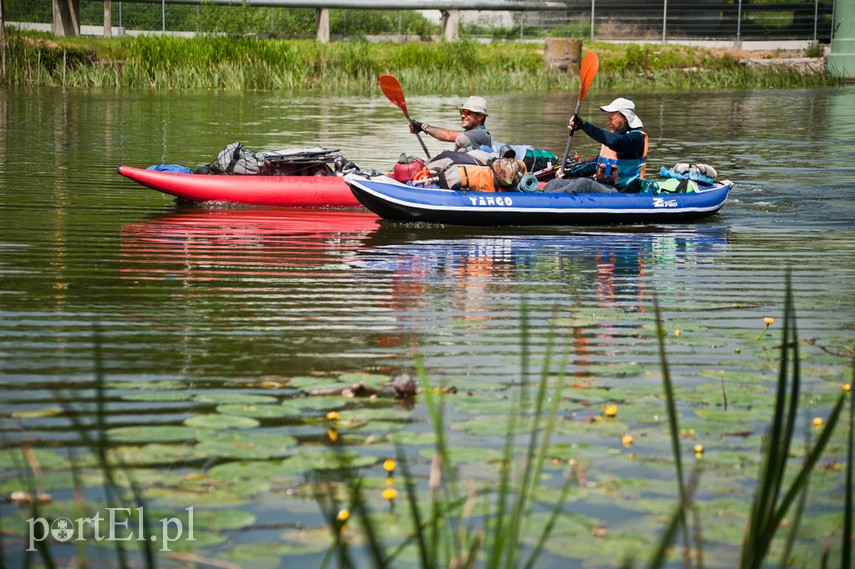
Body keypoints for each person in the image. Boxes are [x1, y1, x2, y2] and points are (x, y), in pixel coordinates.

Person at [543, 97, 648, 194]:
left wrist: (584, 125)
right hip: (605, 186)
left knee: (583, 184)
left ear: (625, 118)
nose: (608, 123)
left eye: (611, 119)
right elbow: (594, 165)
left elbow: (614, 142)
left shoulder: (635, 139)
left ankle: (545, 202)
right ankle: (537, 198)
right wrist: (569, 172)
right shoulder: (614, 137)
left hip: (621, 191)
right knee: (555, 183)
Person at [409, 96, 492, 153]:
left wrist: (422, 126)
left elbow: (448, 136)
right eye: (462, 112)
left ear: (480, 117)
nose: (463, 115)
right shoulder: (471, 133)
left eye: (467, 112)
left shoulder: (481, 134)